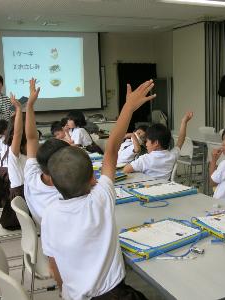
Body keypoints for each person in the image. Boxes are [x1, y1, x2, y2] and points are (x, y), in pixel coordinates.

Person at [41, 79, 155, 299]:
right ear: (93, 179)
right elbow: (111, 148)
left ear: (52, 182)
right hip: (112, 294)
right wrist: (128, 108)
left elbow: (53, 264)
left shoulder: (49, 214)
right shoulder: (100, 199)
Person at [24, 79, 70, 226]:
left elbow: (31, 138)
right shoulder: (65, 196)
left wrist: (29, 105)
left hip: (47, 236)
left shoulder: (31, 175)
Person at [123, 112, 193, 180]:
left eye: (147, 141)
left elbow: (125, 170)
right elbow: (181, 140)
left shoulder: (145, 159)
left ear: (156, 143)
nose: (146, 144)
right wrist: (184, 122)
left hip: (146, 189)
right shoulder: (172, 156)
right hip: (164, 188)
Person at [0, 94, 27, 230]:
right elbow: (18, 133)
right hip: (21, 196)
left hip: (28, 192)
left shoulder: (28, 149)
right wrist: (18, 109)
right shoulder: (14, 151)